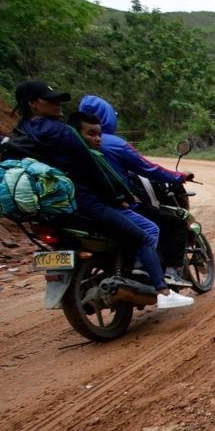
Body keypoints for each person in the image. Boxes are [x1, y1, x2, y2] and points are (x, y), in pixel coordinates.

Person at [5, 81, 193, 309]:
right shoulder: (64, 132)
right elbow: (96, 170)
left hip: (51, 209)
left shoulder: (19, 135)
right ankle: (162, 291)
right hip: (87, 202)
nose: (57, 104)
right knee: (146, 233)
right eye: (51, 100)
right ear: (33, 104)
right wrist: (117, 198)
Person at [76, 95, 192, 287]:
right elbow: (149, 168)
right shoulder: (115, 144)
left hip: (83, 207)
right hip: (115, 203)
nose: (97, 138)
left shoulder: (73, 142)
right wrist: (179, 176)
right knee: (172, 224)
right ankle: (163, 272)